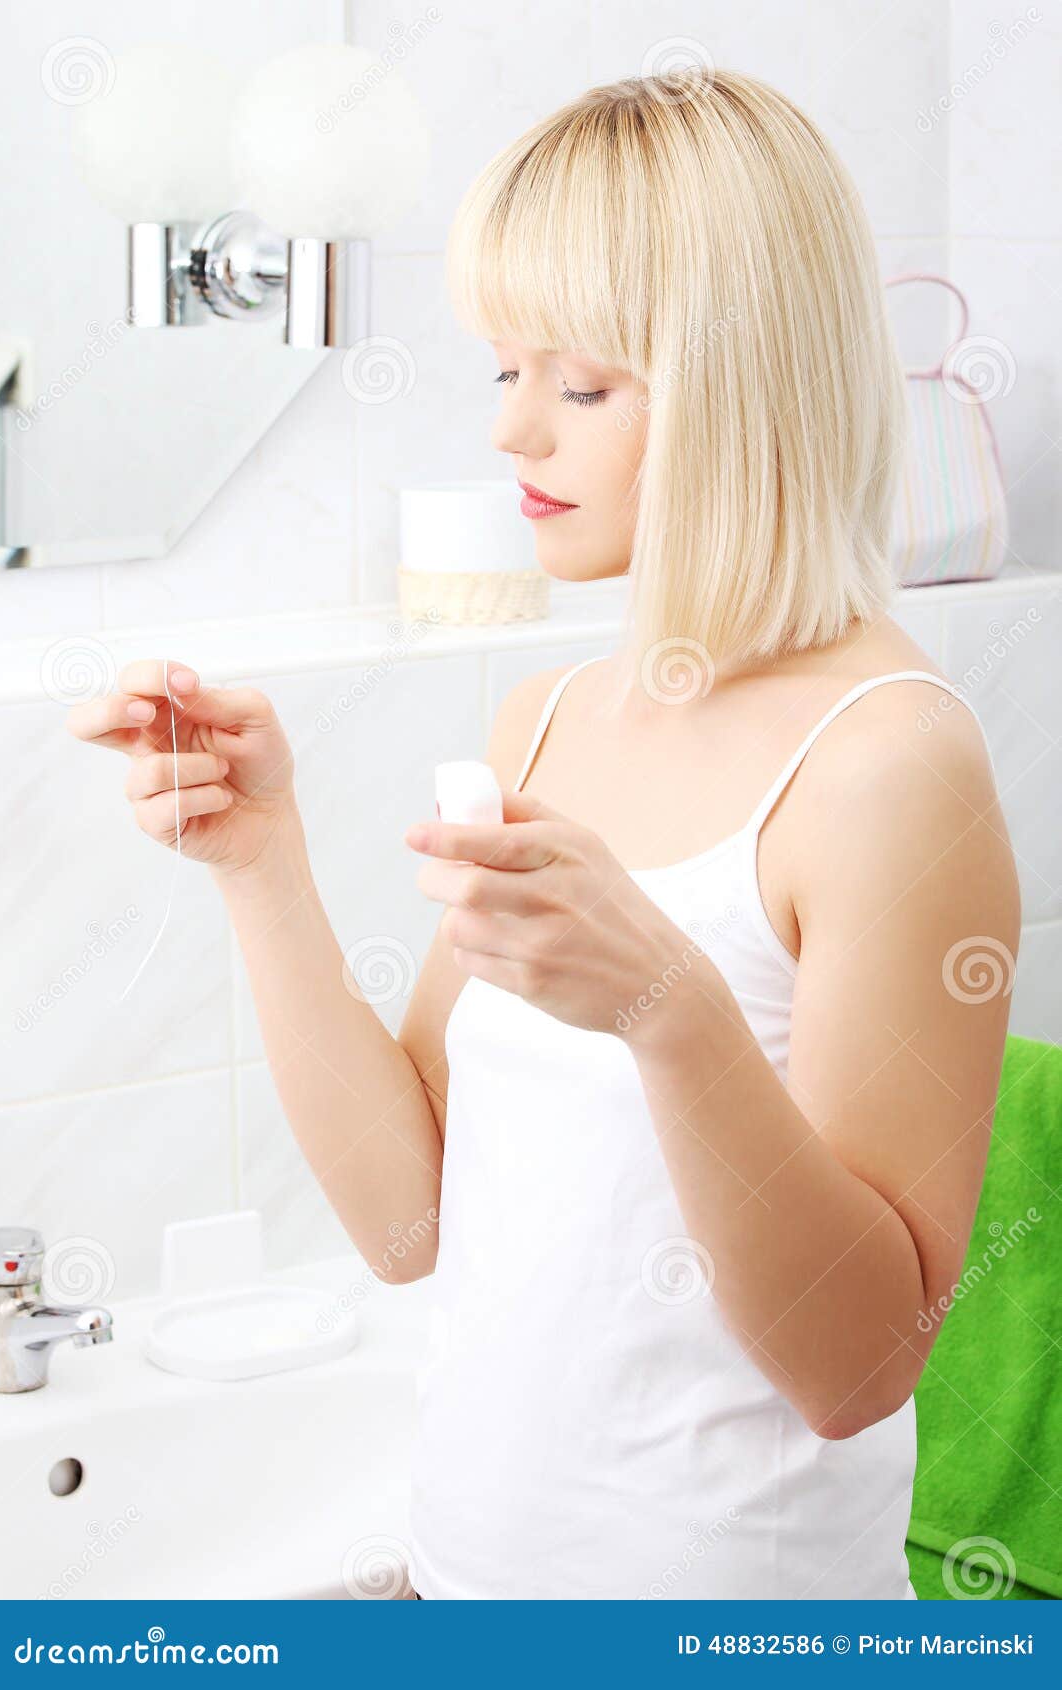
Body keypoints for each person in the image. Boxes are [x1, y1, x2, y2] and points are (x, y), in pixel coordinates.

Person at [67, 68, 1019, 1600]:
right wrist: (262, 863)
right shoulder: (546, 721)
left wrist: (667, 1005)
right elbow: (409, 1222)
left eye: (580, 386)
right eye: (506, 368)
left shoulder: (889, 765)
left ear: (747, 385)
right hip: (470, 1596)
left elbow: (857, 1367)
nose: (511, 427)